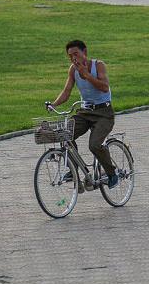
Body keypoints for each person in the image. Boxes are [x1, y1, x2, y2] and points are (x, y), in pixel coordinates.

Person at [46, 40, 121, 189]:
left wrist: (87, 75)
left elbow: (105, 87)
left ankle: (112, 173)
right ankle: (74, 169)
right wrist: (54, 104)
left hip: (103, 113)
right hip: (85, 112)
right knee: (64, 133)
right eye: (70, 56)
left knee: (94, 145)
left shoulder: (98, 65)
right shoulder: (73, 70)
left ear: (84, 52)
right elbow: (67, 91)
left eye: (76, 54)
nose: (73, 58)